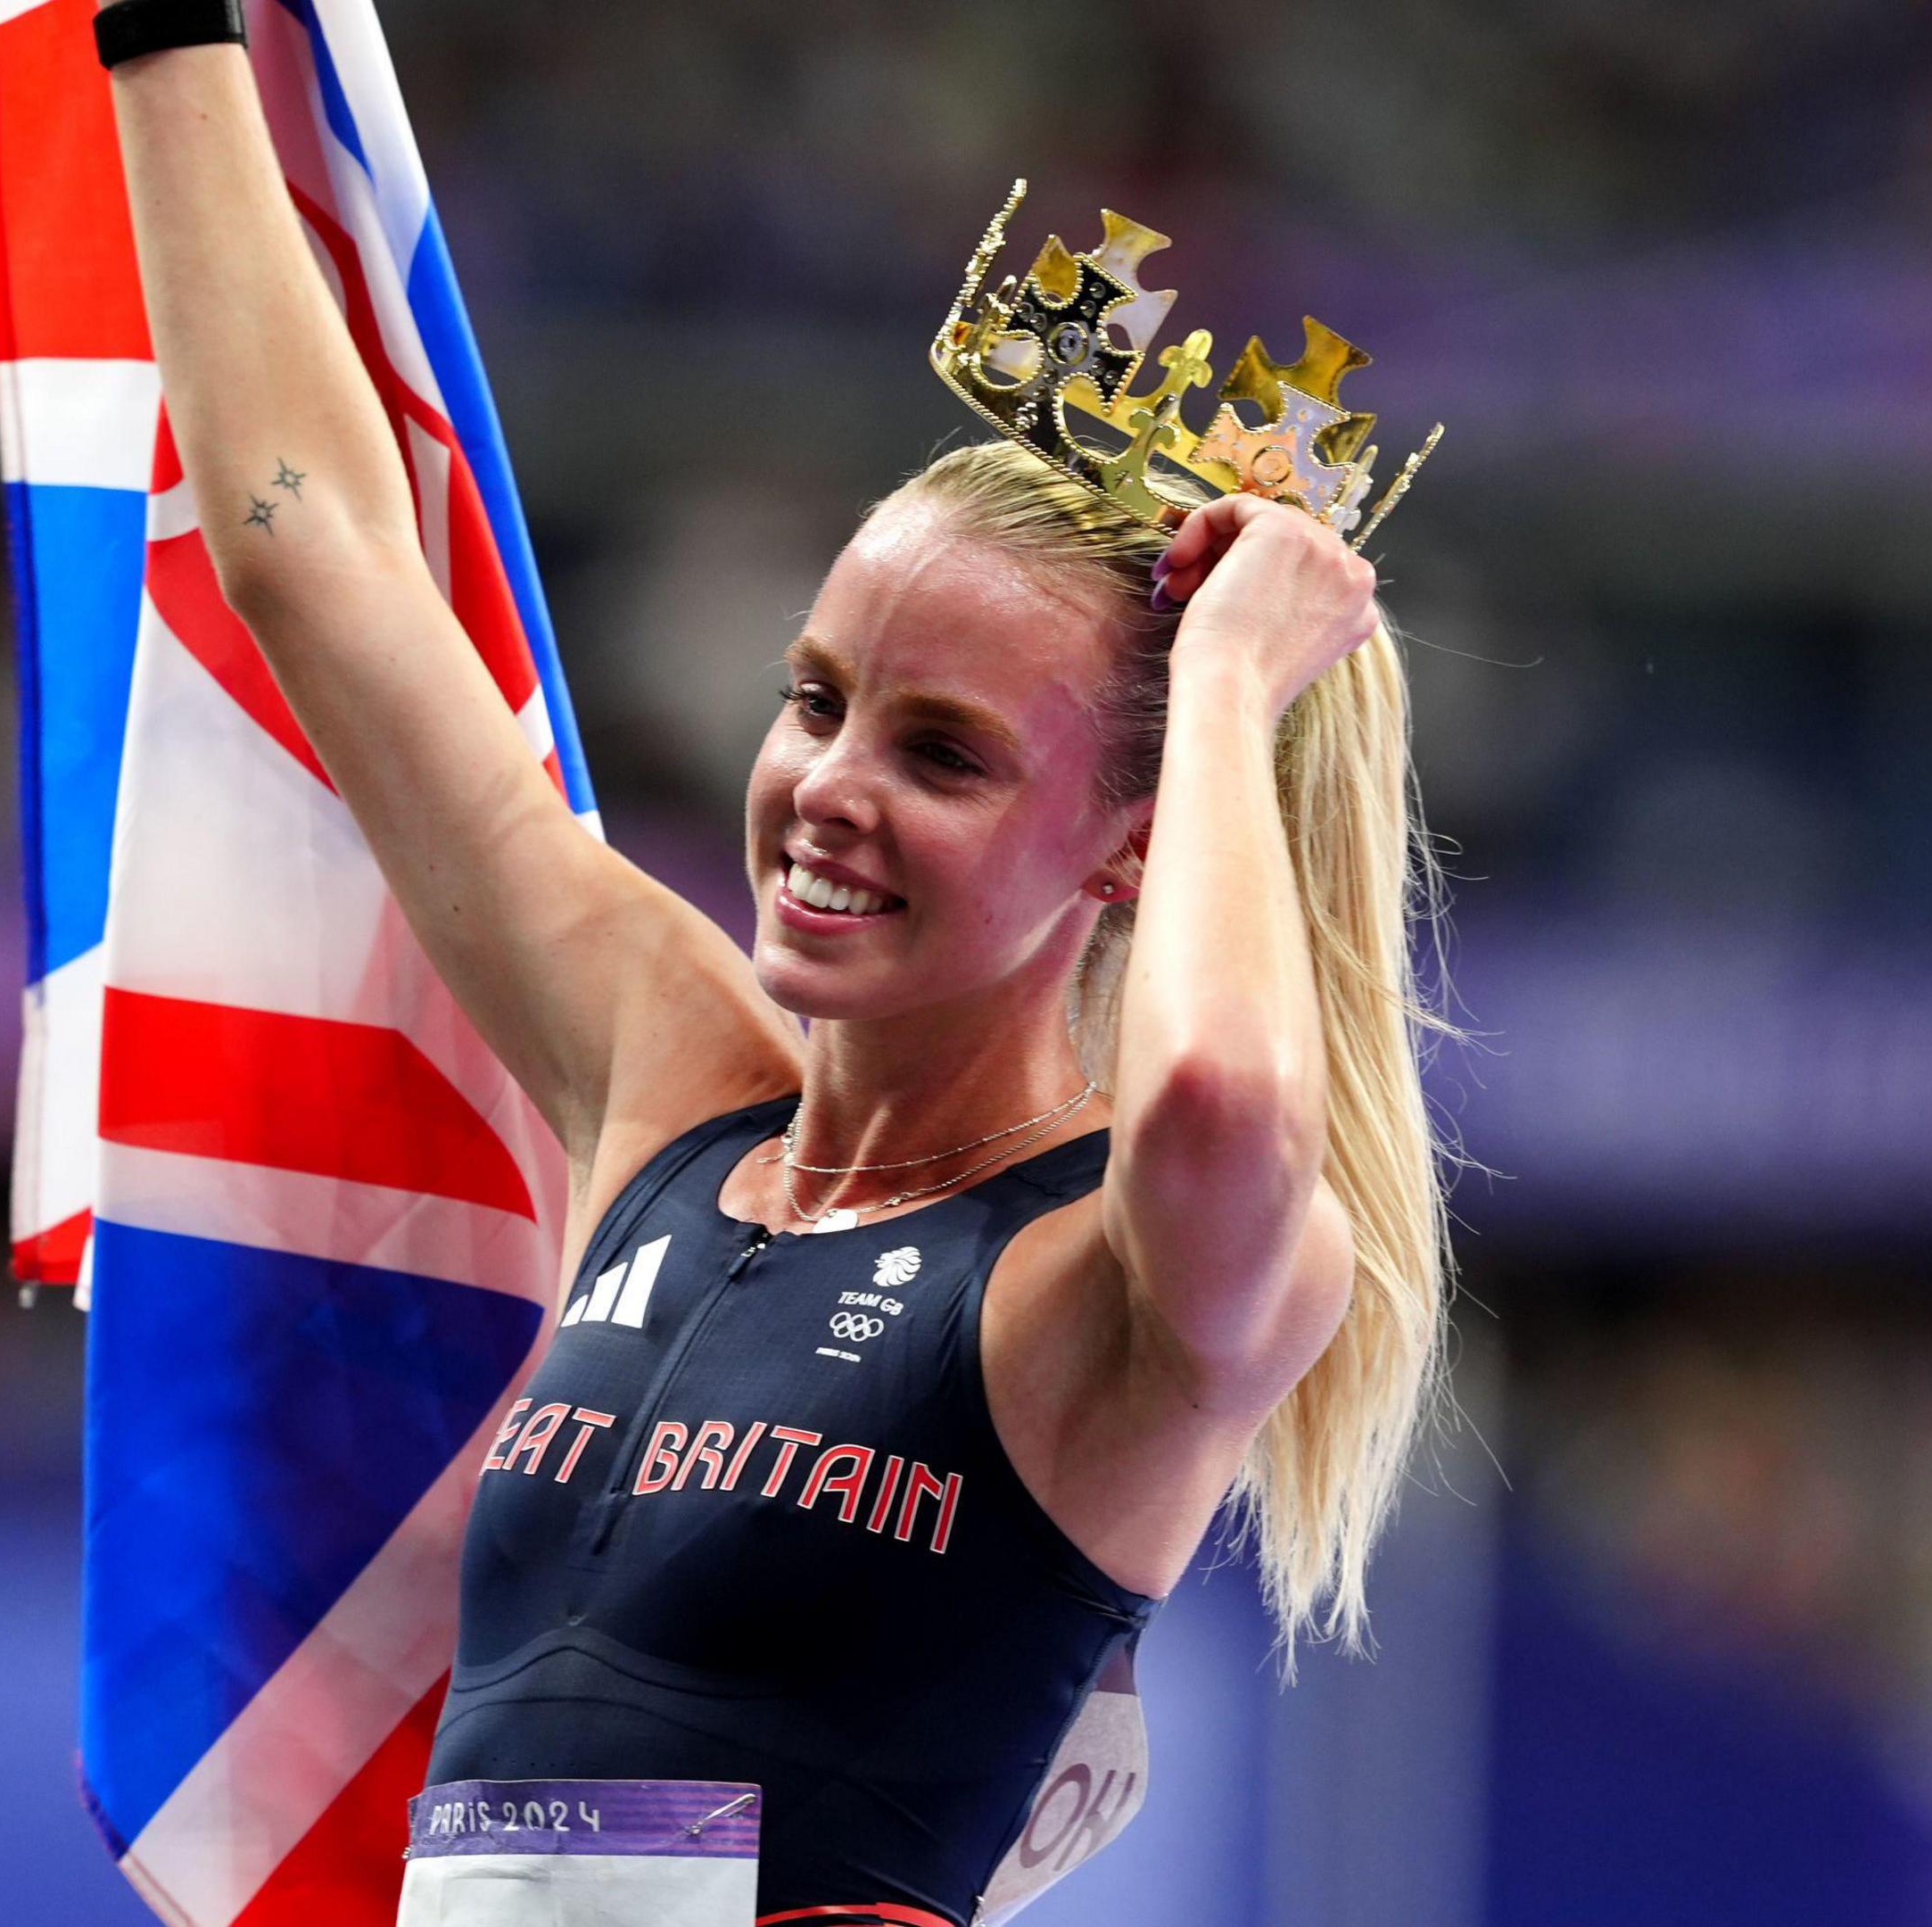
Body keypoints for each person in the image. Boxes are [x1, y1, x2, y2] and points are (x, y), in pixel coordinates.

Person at [98, 8, 1457, 1923]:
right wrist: (156, 36)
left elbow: (1227, 1094)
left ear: (1141, 842)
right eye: (815, 701)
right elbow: (307, 556)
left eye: (944, 754)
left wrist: (1232, 674)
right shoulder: (674, 1077)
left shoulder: (1130, 1281)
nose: (827, 790)